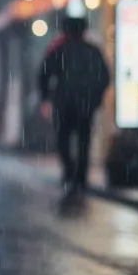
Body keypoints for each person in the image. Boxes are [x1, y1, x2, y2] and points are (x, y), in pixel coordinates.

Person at [39, 14, 110, 199]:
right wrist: (96, 97)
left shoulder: (59, 49)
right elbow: (105, 76)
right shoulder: (92, 51)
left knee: (63, 139)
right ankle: (80, 177)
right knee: (84, 141)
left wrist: (46, 96)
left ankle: (69, 172)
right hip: (85, 104)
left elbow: (44, 73)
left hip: (64, 103)